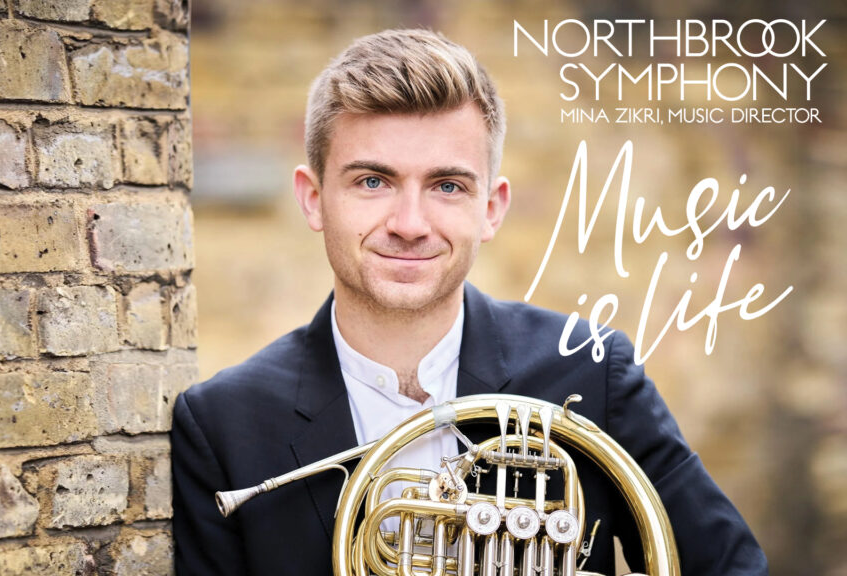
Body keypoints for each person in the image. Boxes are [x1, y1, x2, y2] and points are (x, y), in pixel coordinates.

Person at [172, 29, 767, 575]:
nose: (409, 224)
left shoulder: (592, 370)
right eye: (373, 181)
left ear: (491, 208)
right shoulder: (223, 426)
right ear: (312, 198)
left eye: (447, 186)